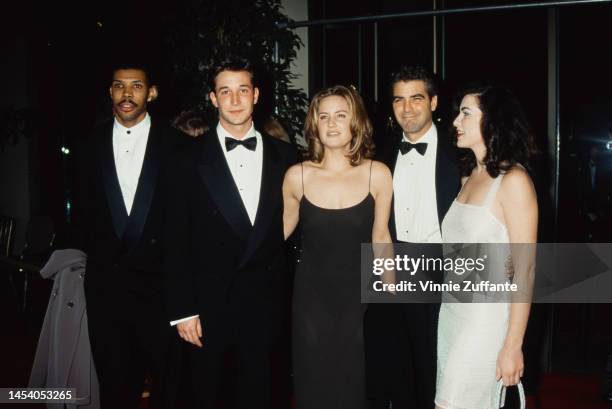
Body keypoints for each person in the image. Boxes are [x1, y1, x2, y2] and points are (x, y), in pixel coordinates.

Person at [163, 56, 297, 409]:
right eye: (226, 92)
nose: (235, 100)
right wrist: (183, 310)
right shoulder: (184, 159)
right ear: (213, 99)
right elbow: (174, 239)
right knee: (210, 395)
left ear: (256, 95)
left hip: (266, 305)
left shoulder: (286, 155)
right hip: (209, 307)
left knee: (263, 394)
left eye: (242, 91)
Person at [69, 62, 188, 408]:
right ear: (110, 92)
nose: (126, 93)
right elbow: (82, 216)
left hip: (163, 295)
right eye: (119, 86)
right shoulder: (87, 146)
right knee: (115, 388)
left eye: (136, 86)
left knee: (171, 390)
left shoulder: (180, 146)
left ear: (151, 93)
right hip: (108, 294)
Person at [282, 85, 394, 409]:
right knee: (313, 383)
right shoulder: (297, 176)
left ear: (355, 122)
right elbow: (278, 236)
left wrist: (391, 295)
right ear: (314, 124)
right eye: (324, 116)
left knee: (356, 386)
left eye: (340, 116)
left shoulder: (378, 173)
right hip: (311, 299)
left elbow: (381, 237)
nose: (331, 124)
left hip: (359, 298)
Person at [435, 84, 538, 409]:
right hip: (452, 313)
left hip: (486, 321)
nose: (455, 121)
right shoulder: (470, 176)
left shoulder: (514, 181)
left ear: (492, 120)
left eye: (466, 113)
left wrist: (513, 344)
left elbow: (526, 269)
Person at [364, 65, 460, 409]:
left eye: (416, 99)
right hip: (388, 260)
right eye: (398, 100)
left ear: (433, 102)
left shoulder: (460, 151)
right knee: (391, 365)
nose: (406, 108)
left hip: (441, 265)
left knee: (437, 364)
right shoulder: (380, 153)